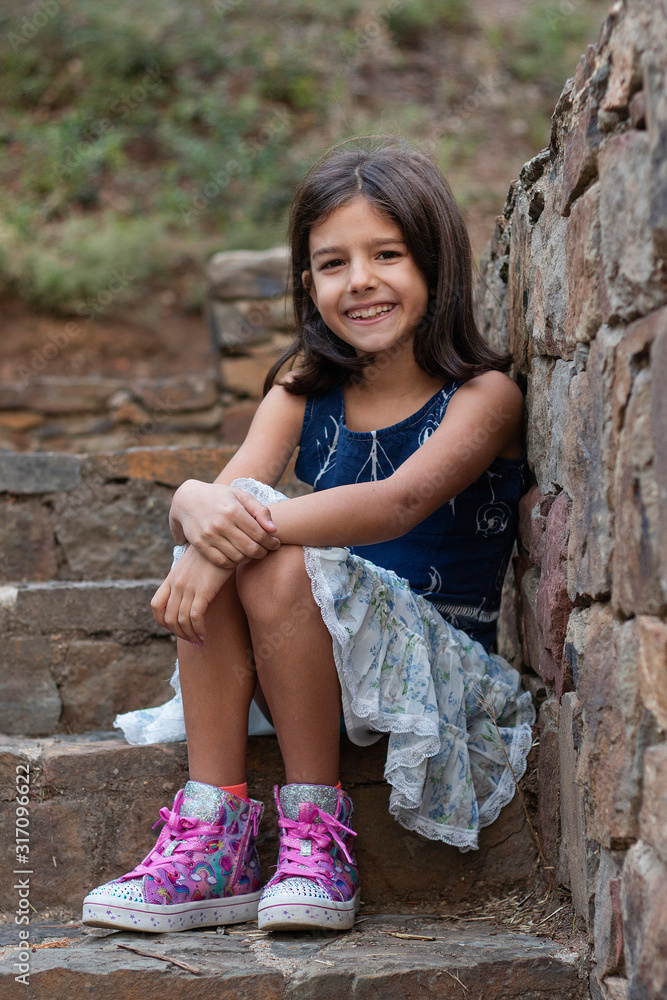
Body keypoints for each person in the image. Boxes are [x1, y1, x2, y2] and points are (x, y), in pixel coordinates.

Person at [82, 139, 534, 936]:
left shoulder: (484, 395)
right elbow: (224, 499)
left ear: (437, 265)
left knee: (259, 544)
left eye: (386, 254)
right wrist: (191, 503)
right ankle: (214, 836)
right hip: (310, 659)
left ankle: (317, 835)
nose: (358, 280)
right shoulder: (301, 389)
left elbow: (397, 503)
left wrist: (217, 528)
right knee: (237, 529)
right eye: (332, 263)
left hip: (435, 673)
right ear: (307, 283)